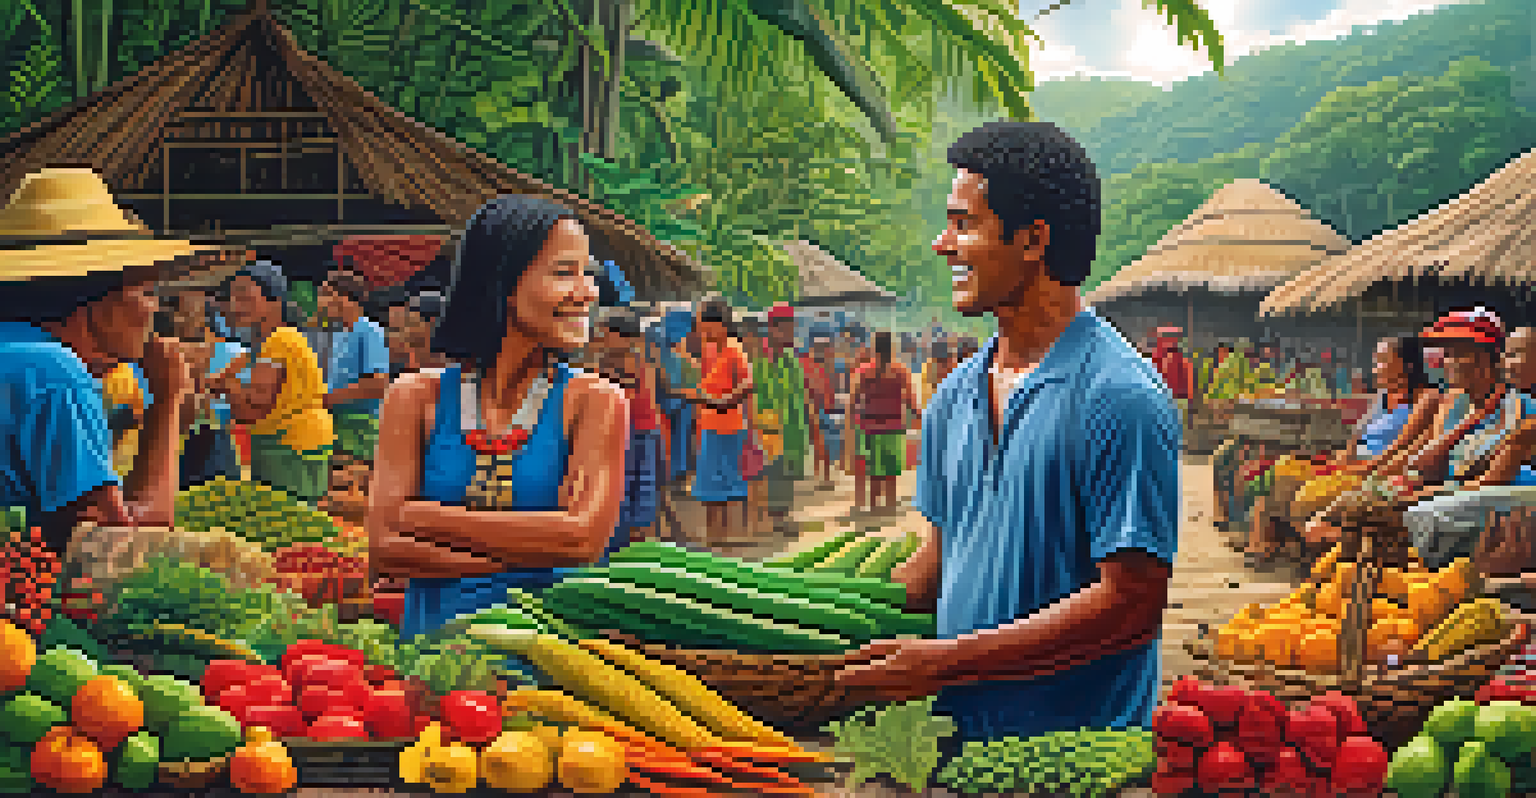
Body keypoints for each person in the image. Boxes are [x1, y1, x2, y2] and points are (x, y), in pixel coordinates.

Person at [833, 121, 1179, 749]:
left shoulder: (1120, 397)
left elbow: (1133, 605)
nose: (944, 245)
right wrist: (793, 619)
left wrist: (943, 663)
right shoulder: (952, 397)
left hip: (1077, 762)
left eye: (963, 224)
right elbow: (936, 566)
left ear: (1032, 240)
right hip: (957, 749)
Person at [367, 195, 628, 639]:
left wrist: (421, 517)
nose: (586, 292)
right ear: (502, 280)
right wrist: (535, 548)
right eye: (565, 272)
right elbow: (385, 550)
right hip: (434, 672)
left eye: (588, 274)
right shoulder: (413, 396)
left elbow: (582, 541)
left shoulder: (596, 401)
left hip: (551, 675)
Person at [0, 167, 234, 555]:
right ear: (95, 300)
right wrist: (168, 399)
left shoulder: (23, 356)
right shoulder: (55, 373)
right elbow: (124, 539)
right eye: (146, 292)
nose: (156, 309)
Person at [1307, 309, 1510, 544]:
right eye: (1446, 354)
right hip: (1435, 483)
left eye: (1456, 354)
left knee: (1349, 520)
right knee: (1328, 517)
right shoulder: (1453, 402)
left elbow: (1485, 477)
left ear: (1485, 359)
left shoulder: (1512, 406)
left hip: (1466, 493)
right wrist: (1378, 475)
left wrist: (1394, 479)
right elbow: (1423, 454)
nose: (1445, 363)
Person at [1404, 325, 1536, 568]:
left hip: (1516, 495)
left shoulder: (1523, 411)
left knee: (1424, 514)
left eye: (1516, 354)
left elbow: (1493, 479)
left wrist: (1432, 492)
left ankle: (1433, 579)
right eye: (1505, 355)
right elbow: (1481, 468)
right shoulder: (1513, 403)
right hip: (1502, 491)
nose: (1506, 363)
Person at [211, 261, 335, 503]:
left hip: (291, 447)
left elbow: (255, 405)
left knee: (290, 522)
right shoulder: (264, 346)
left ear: (274, 301)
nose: (236, 307)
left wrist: (228, 388)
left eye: (246, 298)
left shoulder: (281, 340)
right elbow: (221, 381)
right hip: (288, 445)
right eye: (233, 298)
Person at [683, 300, 755, 545]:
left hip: (728, 426)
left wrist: (723, 400)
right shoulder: (710, 348)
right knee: (710, 484)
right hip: (708, 424)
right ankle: (714, 537)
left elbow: (747, 383)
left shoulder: (734, 349)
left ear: (719, 324)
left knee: (723, 484)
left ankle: (722, 537)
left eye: (704, 324)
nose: (701, 329)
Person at [600, 308, 665, 549]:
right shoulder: (610, 361)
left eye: (607, 334)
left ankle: (637, 538)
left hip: (641, 429)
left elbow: (634, 389)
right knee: (624, 482)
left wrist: (610, 378)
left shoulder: (635, 361)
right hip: (625, 429)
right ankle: (623, 536)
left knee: (640, 481)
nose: (603, 339)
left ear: (623, 336)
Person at [318, 269, 391, 470]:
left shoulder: (370, 331)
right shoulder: (339, 336)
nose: (320, 303)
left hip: (362, 428)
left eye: (325, 295)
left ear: (344, 298)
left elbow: (378, 384)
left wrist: (327, 399)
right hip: (338, 425)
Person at [754, 303, 811, 535]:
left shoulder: (792, 359)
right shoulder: (759, 359)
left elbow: (801, 395)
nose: (792, 333)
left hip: (792, 428)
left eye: (793, 328)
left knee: (786, 474)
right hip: (767, 428)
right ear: (773, 329)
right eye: (787, 329)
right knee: (770, 474)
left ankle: (782, 517)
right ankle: (771, 519)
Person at [852, 331, 918, 513]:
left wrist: (851, 428)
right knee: (891, 470)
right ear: (892, 348)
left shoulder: (864, 371)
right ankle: (889, 505)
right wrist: (921, 417)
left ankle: (873, 505)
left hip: (870, 426)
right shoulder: (901, 371)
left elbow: (854, 401)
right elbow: (911, 403)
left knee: (874, 470)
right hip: (895, 427)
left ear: (874, 348)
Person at [802, 330, 840, 487]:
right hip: (809, 408)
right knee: (818, 443)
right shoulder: (806, 363)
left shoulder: (827, 365)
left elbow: (829, 389)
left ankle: (823, 476)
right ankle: (821, 476)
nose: (825, 350)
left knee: (821, 443)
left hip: (822, 408)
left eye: (827, 347)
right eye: (822, 347)